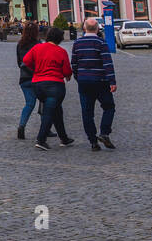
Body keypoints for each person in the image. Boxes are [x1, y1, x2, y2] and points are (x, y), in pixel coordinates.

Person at [21, 27, 76, 150]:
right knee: (49, 112)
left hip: (38, 85)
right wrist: (67, 75)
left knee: (56, 110)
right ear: (59, 39)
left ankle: (64, 138)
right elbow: (67, 70)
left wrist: (36, 70)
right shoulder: (61, 51)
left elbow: (26, 61)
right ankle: (41, 139)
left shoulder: (37, 48)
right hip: (54, 85)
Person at [72, 17, 117, 150]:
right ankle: (104, 133)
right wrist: (112, 81)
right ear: (97, 29)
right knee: (109, 107)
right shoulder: (101, 42)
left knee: (87, 112)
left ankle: (93, 141)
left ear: (84, 28)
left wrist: (78, 77)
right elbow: (107, 63)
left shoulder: (77, 43)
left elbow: (74, 63)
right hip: (101, 81)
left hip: (84, 82)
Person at [15, 21, 41, 139]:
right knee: (45, 102)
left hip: (24, 78)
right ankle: (46, 127)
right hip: (37, 77)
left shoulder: (20, 44)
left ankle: (22, 125)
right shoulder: (38, 44)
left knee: (29, 104)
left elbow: (19, 62)